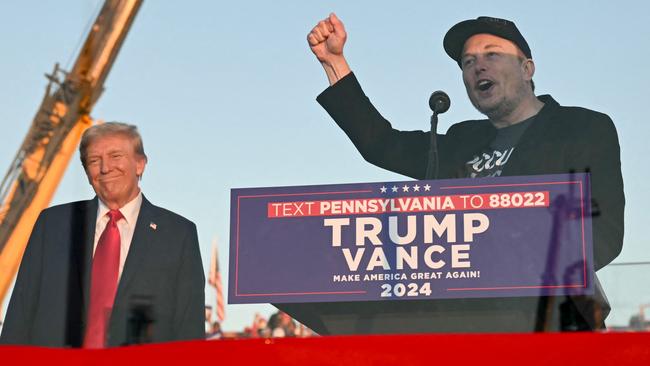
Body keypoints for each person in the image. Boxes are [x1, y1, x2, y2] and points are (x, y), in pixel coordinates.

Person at [308, 14, 624, 330]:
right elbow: (382, 144)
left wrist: (518, 264)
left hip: (555, 323)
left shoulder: (582, 129)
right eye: (468, 62)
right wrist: (334, 62)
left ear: (527, 69)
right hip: (469, 325)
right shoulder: (462, 141)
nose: (477, 66)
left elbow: (603, 234)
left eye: (492, 54)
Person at [0, 122, 205, 347]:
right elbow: (19, 317)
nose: (105, 168)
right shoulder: (52, 225)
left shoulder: (178, 235)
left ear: (140, 164)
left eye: (116, 156)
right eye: (94, 160)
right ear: (87, 173)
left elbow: (189, 332)